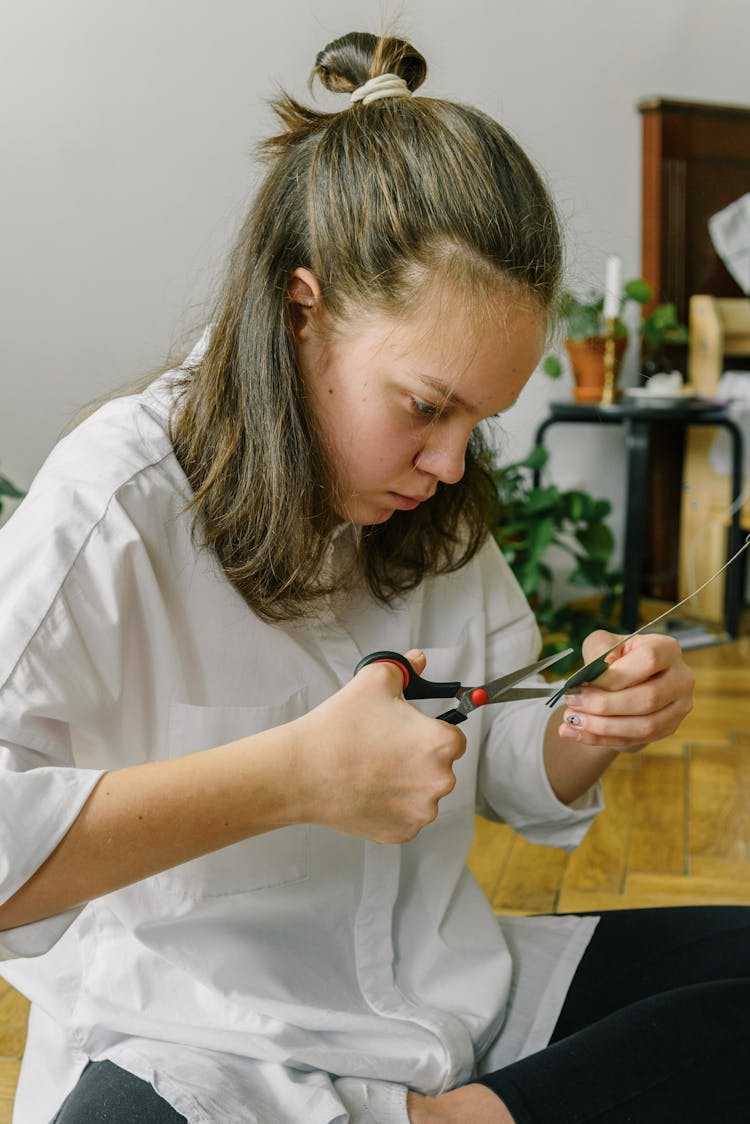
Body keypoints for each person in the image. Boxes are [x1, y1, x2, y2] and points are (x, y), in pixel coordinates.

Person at [0, 28, 744, 1124]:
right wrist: (292, 776)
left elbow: (496, 755)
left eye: (478, 420)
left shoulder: (427, 499)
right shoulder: (117, 501)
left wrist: (588, 724)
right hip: (206, 1056)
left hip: (454, 1009)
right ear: (303, 313)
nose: (451, 463)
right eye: (426, 407)